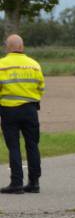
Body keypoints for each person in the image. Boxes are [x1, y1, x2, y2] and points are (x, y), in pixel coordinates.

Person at [0, 34, 44, 194]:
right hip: (30, 109)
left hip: (8, 110)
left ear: (7, 47)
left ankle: (16, 183)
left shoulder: (1, 65)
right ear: (21, 46)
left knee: (14, 147)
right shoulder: (34, 65)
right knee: (32, 145)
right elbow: (41, 87)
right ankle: (34, 182)